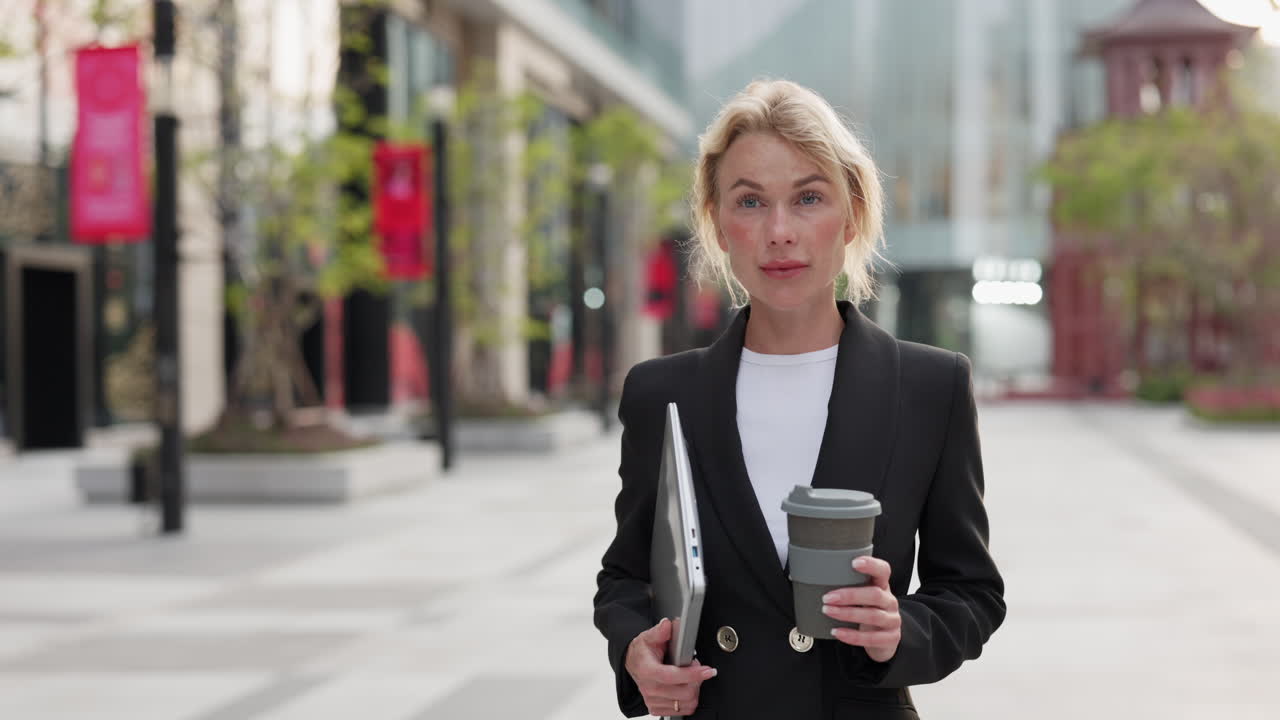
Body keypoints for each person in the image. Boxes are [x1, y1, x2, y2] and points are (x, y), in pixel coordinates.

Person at [592, 79, 1006, 719]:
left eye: (808, 197)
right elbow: (626, 578)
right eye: (750, 201)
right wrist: (636, 652)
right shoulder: (662, 393)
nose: (779, 231)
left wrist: (901, 630)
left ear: (853, 213)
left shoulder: (930, 386)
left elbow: (972, 592)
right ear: (718, 223)